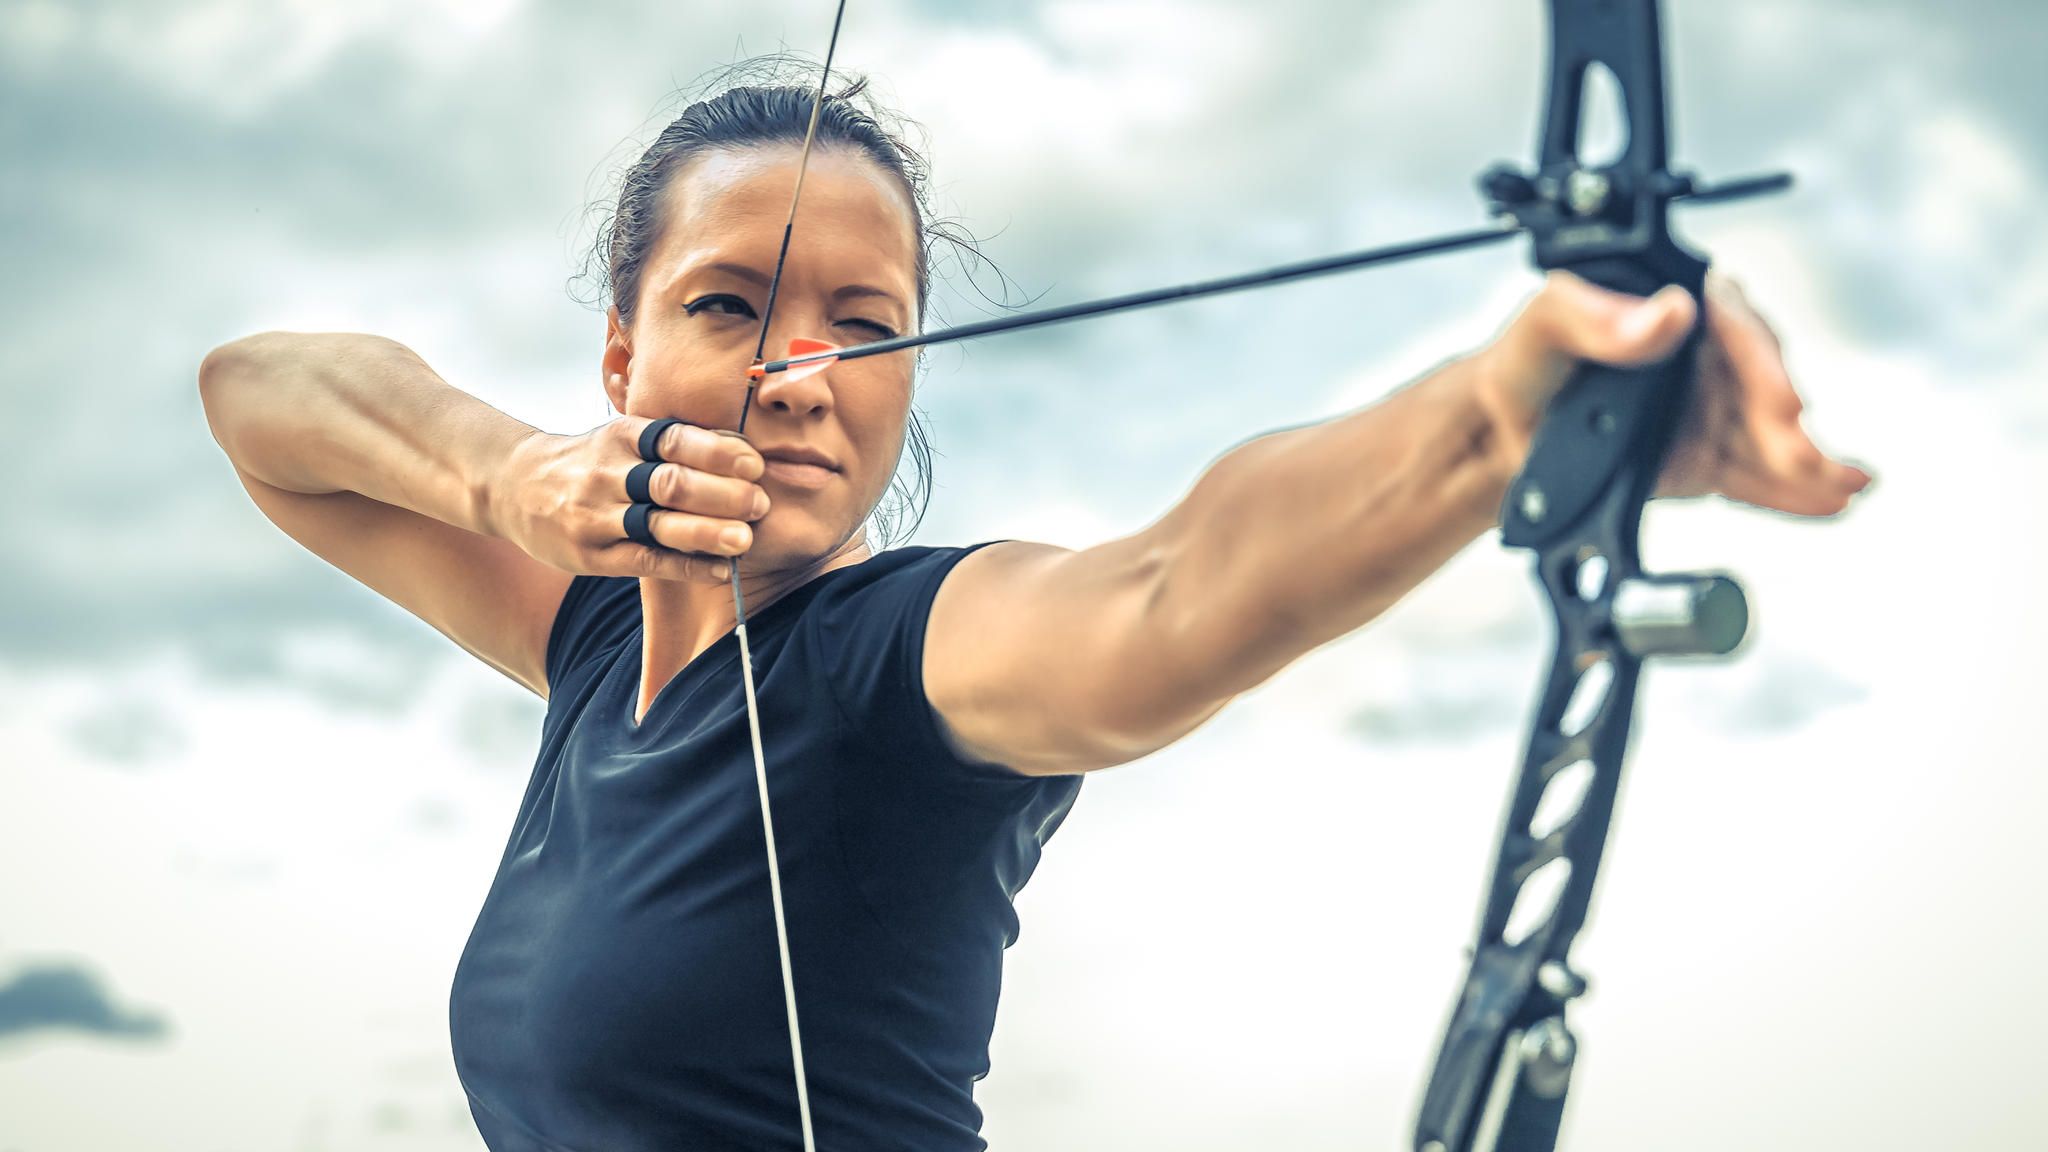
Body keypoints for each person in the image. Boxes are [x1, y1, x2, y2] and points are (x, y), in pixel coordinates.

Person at [195, 74, 1870, 1152]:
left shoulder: (901, 664)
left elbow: (1169, 591)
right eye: (731, 307)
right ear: (621, 358)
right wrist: (506, 477)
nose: (802, 374)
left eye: (868, 323)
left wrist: (1505, 415)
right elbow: (264, 408)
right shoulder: (586, 649)